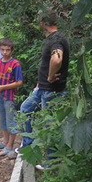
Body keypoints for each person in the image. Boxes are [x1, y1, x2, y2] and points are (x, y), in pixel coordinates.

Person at [16, 11, 70, 163]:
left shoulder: (57, 39)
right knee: (25, 110)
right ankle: (28, 145)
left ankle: (52, 161)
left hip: (52, 91)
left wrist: (51, 76)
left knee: (50, 124)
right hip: (42, 88)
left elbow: (57, 59)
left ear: (42, 23)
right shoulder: (54, 38)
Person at [0, 38, 24, 157]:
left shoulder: (15, 64)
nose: (5, 52)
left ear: (12, 50)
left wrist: (2, 87)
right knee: (2, 120)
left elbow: (19, 82)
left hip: (10, 97)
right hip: (0, 95)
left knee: (11, 121)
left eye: (8, 50)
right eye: (2, 49)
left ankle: (10, 145)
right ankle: (5, 141)